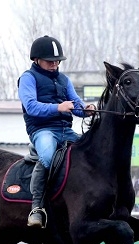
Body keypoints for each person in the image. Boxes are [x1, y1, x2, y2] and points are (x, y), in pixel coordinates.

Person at [18, 35, 96, 228]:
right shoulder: (28, 78)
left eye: (57, 61)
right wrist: (57, 108)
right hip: (43, 131)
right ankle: (37, 208)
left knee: (91, 153)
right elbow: (31, 107)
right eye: (50, 62)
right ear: (36, 60)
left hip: (66, 131)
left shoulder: (64, 79)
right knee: (48, 157)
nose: (54, 65)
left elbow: (76, 104)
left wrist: (86, 110)